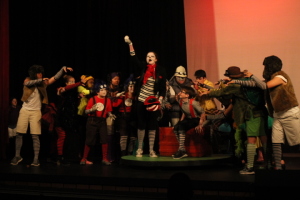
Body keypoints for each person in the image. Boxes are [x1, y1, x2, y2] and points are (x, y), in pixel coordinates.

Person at [232, 55, 300, 170]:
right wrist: (235, 81)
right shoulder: (271, 78)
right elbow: (255, 84)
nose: (264, 68)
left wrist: (252, 76)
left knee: (297, 141)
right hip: (278, 115)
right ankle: (278, 167)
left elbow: (264, 86)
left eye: (265, 65)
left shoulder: (281, 76)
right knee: (276, 141)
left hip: (289, 113)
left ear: (270, 66)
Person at [201, 66, 268, 174]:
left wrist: (208, 92)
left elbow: (221, 92)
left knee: (251, 140)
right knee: (264, 138)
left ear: (231, 76)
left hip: (250, 114)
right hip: (260, 112)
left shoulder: (235, 85)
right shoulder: (247, 80)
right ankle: (269, 163)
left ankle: (250, 167)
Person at [10, 65, 72, 166]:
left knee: (35, 135)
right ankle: (17, 156)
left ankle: (35, 159)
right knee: (19, 134)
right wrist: (40, 80)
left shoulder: (43, 83)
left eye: (41, 73)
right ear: (34, 74)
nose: (40, 75)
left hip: (36, 112)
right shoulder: (28, 80)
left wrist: (62, 70)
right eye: (38, 73)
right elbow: (27, 83)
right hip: (25, 110)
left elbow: (54, 78)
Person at [124, 35, 166, 157]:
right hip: (141, 101)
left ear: (156, 59)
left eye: (152, 56)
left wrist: (161, 98)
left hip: (152, 101)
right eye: (148, 56)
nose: (149, 58)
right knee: (141, 125)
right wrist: (130, 44)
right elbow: (133, 59)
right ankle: (140, 149)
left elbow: (162, 88)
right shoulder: (143, 67)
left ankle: (152, 150)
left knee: (152, 126)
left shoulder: (161, 70)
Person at [80, 81, 116, 166]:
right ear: (97, 91)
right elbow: (86, 111)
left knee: (104, 139)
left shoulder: (108, 100)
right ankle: (84, 158)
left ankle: (104, 158)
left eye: (105, 90)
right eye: (102, 90)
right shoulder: (93, 99)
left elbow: (108, 111)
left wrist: (111, 115)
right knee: (90, 140)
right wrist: (92, 110)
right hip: (92, 120)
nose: (104, 91)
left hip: (102, 121)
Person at [55, 75, 87, 165]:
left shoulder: (74, 93)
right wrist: (79, 83)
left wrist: (80, 97)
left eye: (74, 81)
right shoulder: (61, 89)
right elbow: (67, 88)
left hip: (71, 117)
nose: (73, 84)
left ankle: (71, 156)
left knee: (71, 137)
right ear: (66, 83)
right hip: (62, 117)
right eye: (71, 82)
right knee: (62, 136)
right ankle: (59, 157)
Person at [172, 86, 206, 159]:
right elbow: (184, 113)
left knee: (181, 127)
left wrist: (200, 124)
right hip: (188, 119)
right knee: (176, 127)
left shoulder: (193, 102)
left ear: (187, 95)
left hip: (195, 119)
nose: (180, 93)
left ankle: (181, 150)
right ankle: (182, 149)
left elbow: (202, 112)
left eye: (182, 92)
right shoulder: (180, 102)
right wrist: (180, 122)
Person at [112, 74, 137, 156]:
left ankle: (130, 153)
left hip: (133, 117)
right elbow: (114, 105)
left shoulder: (136, 96)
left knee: (133, 136)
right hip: (123, 117)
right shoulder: (122, 95)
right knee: (124, 135)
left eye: (133, 86)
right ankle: (123, 154)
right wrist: (117, 97)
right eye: (130, 86)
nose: (131, 88)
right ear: (126, 87)